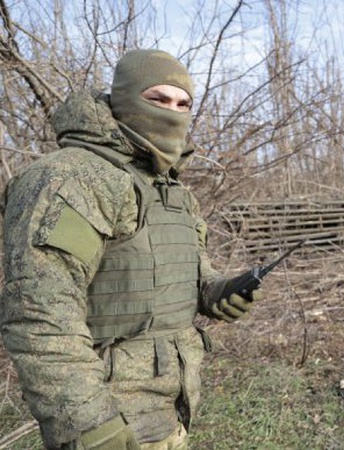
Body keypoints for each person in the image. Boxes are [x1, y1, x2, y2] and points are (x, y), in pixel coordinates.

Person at [0, 49, 265, 449]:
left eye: (183, 104)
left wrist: (216, 292)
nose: (172, 112)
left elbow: (187, 271)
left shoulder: (171, 190)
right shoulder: (69, 179)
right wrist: (89, 427)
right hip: (109, 425)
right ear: (123, 99)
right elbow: (39, 318)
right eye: (158, 99)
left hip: (170, 415)